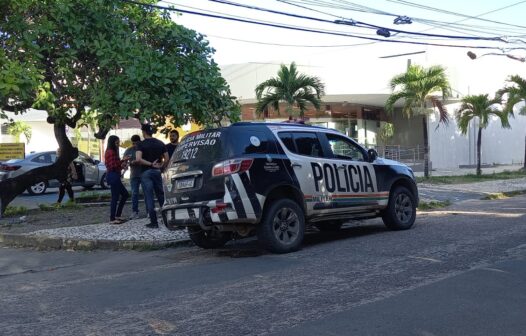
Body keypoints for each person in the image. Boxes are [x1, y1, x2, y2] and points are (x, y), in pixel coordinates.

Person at [134, 124, 169, 228]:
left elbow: (138, 159)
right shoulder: (160, 143)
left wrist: (150, 164)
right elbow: (167, 158)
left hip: (146, 172)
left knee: (149, 197)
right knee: (161, 196)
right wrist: (162, 167)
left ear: (144, 132)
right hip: (157, 172)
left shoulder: (140, 144)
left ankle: (154, 222)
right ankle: (167, 220)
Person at [104, 135, 130, 224]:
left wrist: (122, 163)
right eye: (117, 143)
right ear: (112, 143)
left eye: (118, 142)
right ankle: (112, 218)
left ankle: (117, 215)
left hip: (114, 175)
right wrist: (122, 161)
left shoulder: (111, 151)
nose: (118, 144)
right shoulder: (111, 152)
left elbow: (115, 165)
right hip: (113, 175)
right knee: (115, 197)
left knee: (125, 195)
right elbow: (113, 166)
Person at [123, 135, 143, 219]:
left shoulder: (143, 148)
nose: (134, 145)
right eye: (133, 143)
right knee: (134, 193)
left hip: (143, 174)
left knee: (147, 193)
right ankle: (135, 212)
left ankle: (150, 211)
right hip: (134, 175)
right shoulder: (129, 150)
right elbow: (124, 161)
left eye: (136, 143)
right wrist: (125, 164)